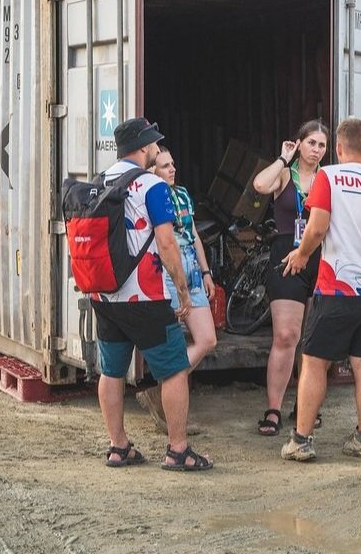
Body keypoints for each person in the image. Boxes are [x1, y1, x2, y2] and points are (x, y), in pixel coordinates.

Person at [279, 117, 361, 462]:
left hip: (338, 286)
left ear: (337, 148)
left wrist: (302, 254)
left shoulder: (329, 176)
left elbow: (318, 227)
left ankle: (302, 440)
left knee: (315, 361)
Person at [92, 117, 212, 472]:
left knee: (111, 372)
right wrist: (181, 289)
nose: (157, 150)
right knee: (174, 370)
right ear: (143, 148)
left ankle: (118, 447)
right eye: (154, 145)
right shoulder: (152, 186)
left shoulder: (101, 182)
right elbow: (166, 242)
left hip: (106, 296)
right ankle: (178, 450)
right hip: (146, 294)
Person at [251, 120, 329, 436]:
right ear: (298, 143)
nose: (316, 150)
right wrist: (284, 158)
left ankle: (305, 405)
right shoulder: (285, 173)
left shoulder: (328, 178)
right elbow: (259, 185)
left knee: (312, 339)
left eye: (322, 145)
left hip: (321, 255)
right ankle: (273, 409)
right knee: (285, 335)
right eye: (311, 143)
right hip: (286, 252)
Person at [139, 145, 218, 433]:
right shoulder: (148, 197)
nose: (172, 170)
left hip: (193, 272)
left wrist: (206, 272)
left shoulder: (182, 194)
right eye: (164, 166)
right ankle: (170, 409)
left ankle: (159, 393)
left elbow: (194, 235)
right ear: (152, 171)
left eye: (172, 164)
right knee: (171, 344)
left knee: (207, 339)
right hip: (166, 272)